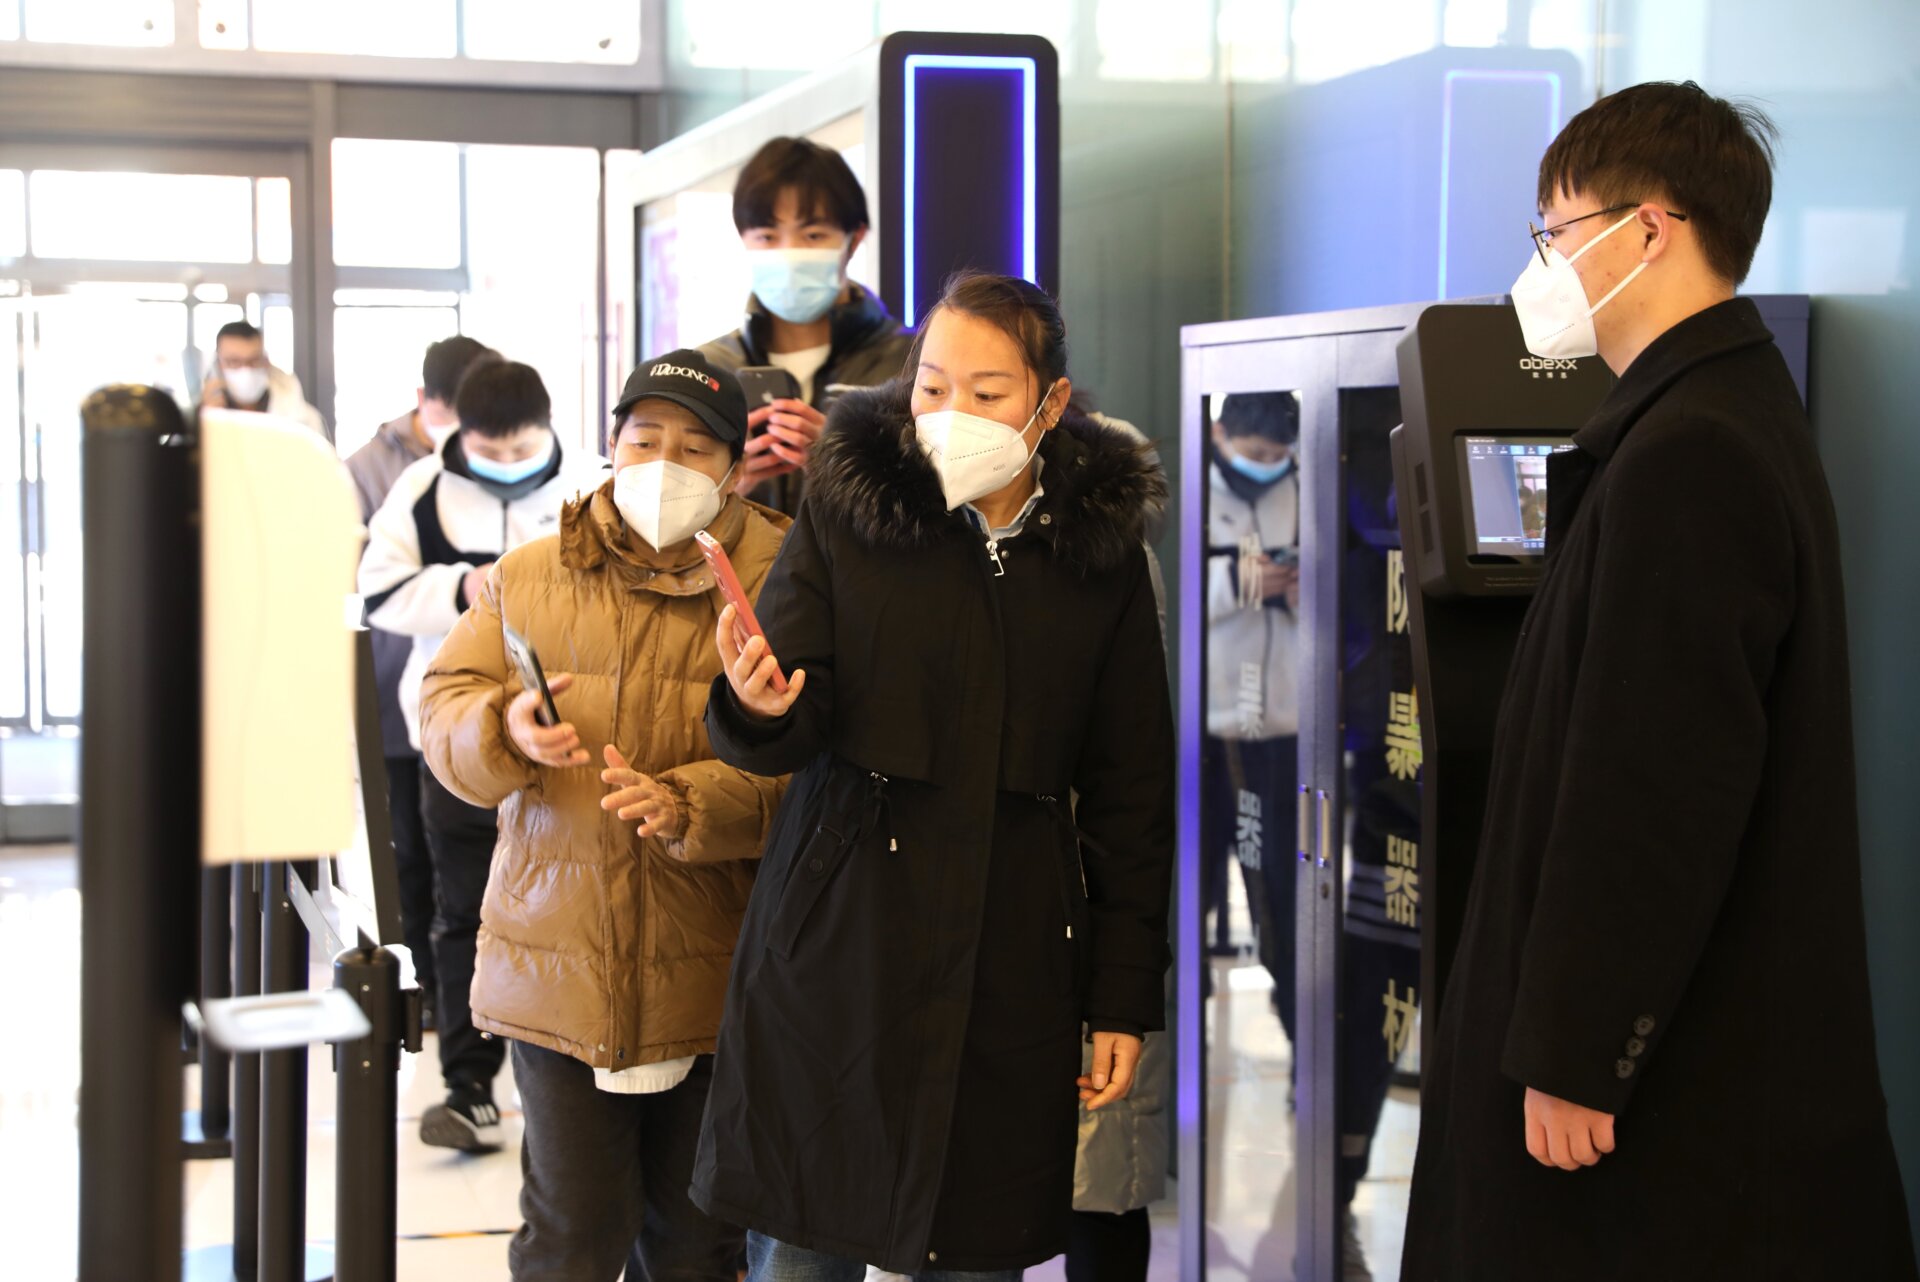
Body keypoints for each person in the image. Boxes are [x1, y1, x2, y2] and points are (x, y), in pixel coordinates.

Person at [1402, 81, 1917, 1280]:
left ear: (1651, 229)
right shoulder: (1714, 413)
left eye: (1558, 231)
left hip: (1663, 1084)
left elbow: (1657, 784)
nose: (1543, 266)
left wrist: (1580, 1049)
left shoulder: (1692, 452)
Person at [691, 272, 1175, 1279]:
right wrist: (758, 703)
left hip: (1013, 945)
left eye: (988, 392)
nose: (952, 414)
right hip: (842, 929)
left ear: (1049, 403)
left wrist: (1124, 997)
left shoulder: (1101, 551)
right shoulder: (850, 506)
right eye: (932, 385)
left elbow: (1131, 791)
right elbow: (782, 711)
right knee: (807, 1240)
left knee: (978, 1241)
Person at [419, 350, 788, 1280]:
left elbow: (824, 763)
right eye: (644, 439)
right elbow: (444, 704)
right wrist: (502, 731)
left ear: (736, 468)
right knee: (571, 1236)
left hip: (719, 972)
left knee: (697, 1245)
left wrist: (691, 803)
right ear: (609, 448)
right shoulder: (529, 574)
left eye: (697, 447)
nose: (666, 464)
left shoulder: (786, 578)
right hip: (558, 961)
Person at [359, 358, 607, 1153]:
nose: (508, 464)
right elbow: (377, 593)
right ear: (459, 433)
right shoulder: (423, 490)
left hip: (577, 735)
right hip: (463, 734)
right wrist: (464, 588)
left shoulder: (595, 485)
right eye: (490, 452)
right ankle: (468, 1086)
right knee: (463, 910)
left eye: (522, 449)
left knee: (581, 903)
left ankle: (585, 1067)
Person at [344, 334, 497, 1025]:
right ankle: (422, 990)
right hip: (388, 679)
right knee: (404, 847)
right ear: (425, 402)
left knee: (459, 857)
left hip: (466, 692)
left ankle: (456, 995)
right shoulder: (372, 468)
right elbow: (362, 581)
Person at [698, 136, 913, 514]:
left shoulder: (913, 363)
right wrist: (727, 487)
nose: (789, 253)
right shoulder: (708, 370)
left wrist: (841, 462)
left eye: (813, 235)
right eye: (767, 236)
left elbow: (946, 510)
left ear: (855, 238)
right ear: (743, 240)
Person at [1202, 393, 1302, 1003]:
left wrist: (1298, 590)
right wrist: (1237, 581)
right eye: (1256, 453)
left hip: (1285, 724)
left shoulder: (1304, 486)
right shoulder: (1195, 491)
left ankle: (1299, 1041)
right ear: (1220, 434)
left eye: (1279, 455)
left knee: (1280, 895)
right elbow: (1171, 586)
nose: (1268, 464)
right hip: (1212, 727)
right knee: (1195, 883)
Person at [197, 319, 328, 437]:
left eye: (254, 360)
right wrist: (204, 420)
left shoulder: (305, 418)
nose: (245, 369)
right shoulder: (201, 416)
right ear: (217, 366)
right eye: (233, 361)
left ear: (266, 362)